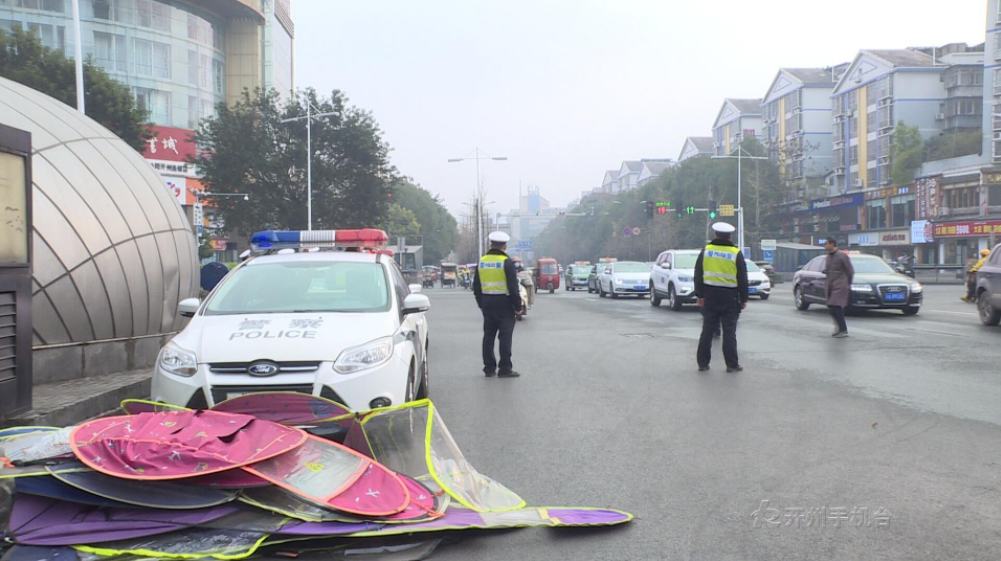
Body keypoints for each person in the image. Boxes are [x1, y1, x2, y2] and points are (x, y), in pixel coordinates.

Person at [694, 222, 748, 373]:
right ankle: (731, 365)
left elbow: (698, 273)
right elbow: (742, 278)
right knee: (729, 332)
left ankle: (703, 363)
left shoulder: (706, 251)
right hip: (730, 297)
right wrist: (744, 299)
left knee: (707, 331)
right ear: (730, 236)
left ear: (715, 235)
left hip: (710, 297)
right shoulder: (735, 253)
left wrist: (700, 295)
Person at [473, 232, 524, 378]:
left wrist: (481, 303)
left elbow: (476, 287)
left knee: (488, 336)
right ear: (505, 246)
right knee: (505, 336)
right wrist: (518, 306)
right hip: (504, 303)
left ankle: (489, 368)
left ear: (491, 245)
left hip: (487, 303)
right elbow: (513, 287)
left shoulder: (482, 261)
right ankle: (505, 368)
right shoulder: (506, 262)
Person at [823, 239, 854, 338]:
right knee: (831, 307)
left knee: (836, 306)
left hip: (840, 285)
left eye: (826, 244)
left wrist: (848, 283)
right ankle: (838, 327)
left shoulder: (842, 255)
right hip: (830, 285)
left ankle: (843, 330)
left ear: (832, 244)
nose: (825, 246)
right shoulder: (828, 256)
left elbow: (850, 270)